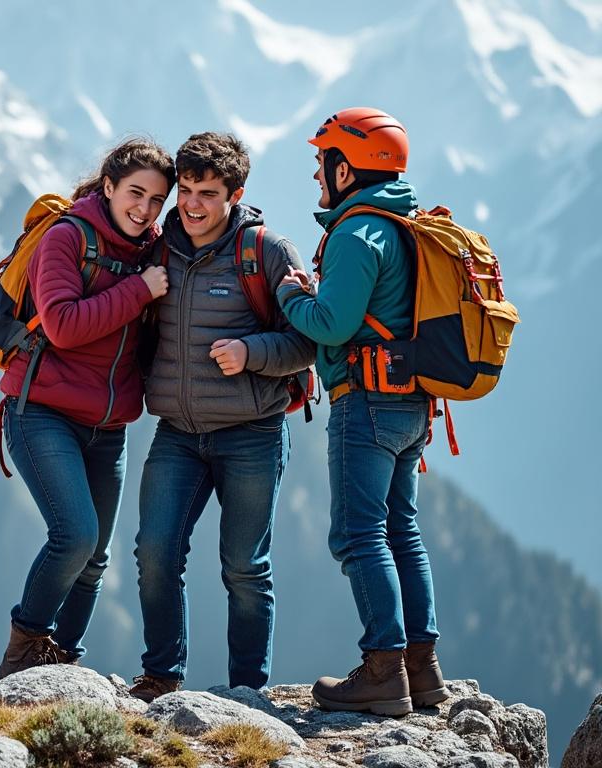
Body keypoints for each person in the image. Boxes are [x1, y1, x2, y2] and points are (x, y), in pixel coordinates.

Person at [132, 133, 315, 700]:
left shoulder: (267, 252)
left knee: (244, 569)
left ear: (236, 193)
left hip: (253, 434)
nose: (190, 204)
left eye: (207, 193)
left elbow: (309, 343)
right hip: (178, 434)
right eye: (184, 190)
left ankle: (247, 695)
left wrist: (251, 354)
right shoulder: (159, 250)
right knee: (155, 553)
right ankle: (162, 677)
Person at [277, 108, 447, 716]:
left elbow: (332, 322)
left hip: (366, 405)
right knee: (403, 530)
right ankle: (421, 670)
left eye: (322, 161)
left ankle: (382, 670)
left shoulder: (355, 233)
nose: (316, 174)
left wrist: (291, 294)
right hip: (412, 406)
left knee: (357, 534)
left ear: (345, 168)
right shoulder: (403, 222)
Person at [0, 138, 174, 681]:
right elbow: (63, 326)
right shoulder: (65, 237)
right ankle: (20, 657)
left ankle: (61, 667)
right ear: (109, 186)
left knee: (95, 559)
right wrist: (139, 291)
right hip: (41, 411)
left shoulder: (152, 248)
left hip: (109, 425)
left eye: (157, 200)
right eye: (135, 193)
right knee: (74, 536)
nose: (144, 208)